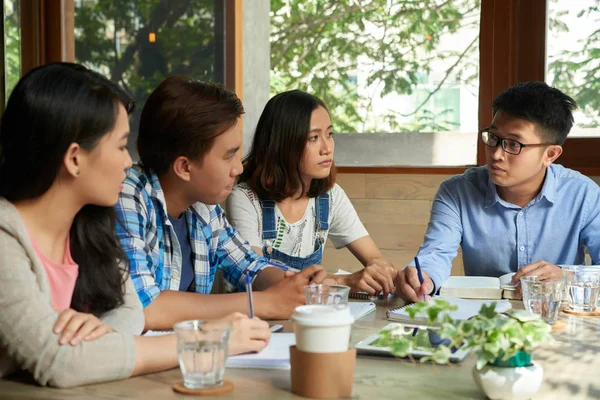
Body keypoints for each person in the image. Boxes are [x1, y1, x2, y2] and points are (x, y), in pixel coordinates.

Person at [0, 63, 270, 388]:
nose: (129, 161)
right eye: (119, 146)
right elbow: (61, 362)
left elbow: (132, 312)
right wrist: (211, 336)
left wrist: (101, 338)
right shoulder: (5, 237)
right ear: (74, 159)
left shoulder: (90, 224)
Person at [115, 78, 327, 331]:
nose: (239, 167)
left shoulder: (202, 205)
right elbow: (146, 307)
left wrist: (300, 285)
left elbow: (250, 266)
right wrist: (262, 303)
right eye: (229, 155)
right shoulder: (127, 194)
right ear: (184, 167)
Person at [395, 81, 600, 301]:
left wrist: (566, 276)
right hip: (484, 324)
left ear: (550, 154)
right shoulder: (457, 191)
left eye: (513, 144)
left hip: (556, 321)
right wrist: (422, 277)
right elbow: (435, 254)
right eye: (493, 138)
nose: (496, 154)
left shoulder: (583, 195)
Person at [226, 89, 397, 295]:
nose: (327, 148)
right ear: (283, 144)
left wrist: (385, 273)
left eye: (330, 134)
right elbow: (256, 275)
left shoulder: (330, 196)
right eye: (314, 138)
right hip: (256, 318)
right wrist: (344, 282)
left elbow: (374, 258)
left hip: (307, 314)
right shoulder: (245, 198)